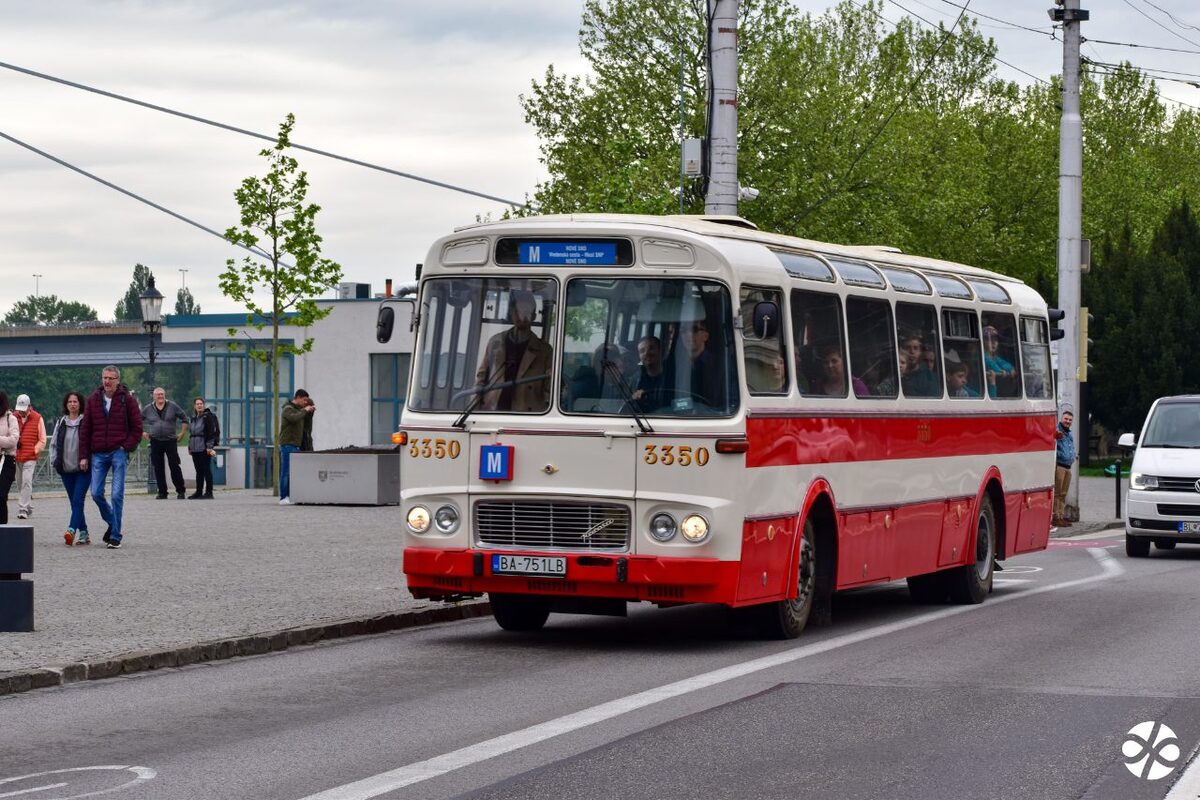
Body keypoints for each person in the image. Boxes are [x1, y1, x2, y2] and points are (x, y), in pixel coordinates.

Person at [80, 365, 144, 549]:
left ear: (118, 380)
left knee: (116, 495)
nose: (107, 381)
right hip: (98, 453)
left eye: (111, 378)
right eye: (105, 378)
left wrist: (126, 447)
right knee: (96, 493)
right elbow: (86, 430)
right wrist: (84, 455)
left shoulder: (127, 400)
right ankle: (112, 522)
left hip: (118, 451)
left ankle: (115, 536)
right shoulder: (93, 400)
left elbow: (137, 428)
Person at [475, 291, 553, 412]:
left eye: (526, 311)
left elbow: (549, 387)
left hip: (526, 414)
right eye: (517, 311)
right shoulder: (495, 343)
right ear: (511, 314)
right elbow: (481, 377)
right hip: (493, 410)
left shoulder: (544, 350)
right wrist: (476, 408)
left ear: (533, 316)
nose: (521, 315)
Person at [50, 391, 90, 545]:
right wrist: (54, 461)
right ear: (66, 405)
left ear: (80, 404)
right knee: (74, 502)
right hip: (65, 469)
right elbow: (54, 444)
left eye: (75, 401)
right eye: (70, 402)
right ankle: (84, 532)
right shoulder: (61, 423)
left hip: (83, 469)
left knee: (78, 500)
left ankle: (71, 530)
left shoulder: (86, 422)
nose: (72, 404)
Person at [141, 387, 188, 499]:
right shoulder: (147, 409)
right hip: (155, 441)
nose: (160, 396)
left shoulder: (173, 406)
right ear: (153, 396)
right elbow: (137, 421)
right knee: (158, 467)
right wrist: (142, 432)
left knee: (174, 466)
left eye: (162, 394)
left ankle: (180, 491)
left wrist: (182, 433)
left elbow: (184, 418)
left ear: (165, 395)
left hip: (170, 440)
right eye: (158, 394)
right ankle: (162, 492)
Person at [278, 389, 314, 505]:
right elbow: (294, 418)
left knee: (293, 473)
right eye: (304, 400)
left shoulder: (299, 411)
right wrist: (305, 410)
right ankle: (283, 497)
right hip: (287, 444)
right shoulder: (287, 409)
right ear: (298, 397)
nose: (305, 402)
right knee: (286, 472)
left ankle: (291, 496)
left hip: (296, 445)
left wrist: (310, 412)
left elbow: (306, 425)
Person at [13, 394, 45, 520]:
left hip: (30, 457)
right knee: (19, 483)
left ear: (30, 407)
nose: (21, 412)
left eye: (23, 409)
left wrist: (34, 450)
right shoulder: (13, 417)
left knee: (26, 481)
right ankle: (29, 506)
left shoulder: (38, 418)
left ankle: (23, 509)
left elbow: (42, 439)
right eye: (19, 409)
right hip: (15, 456)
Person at [679, 320, 719, 405]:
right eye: (684, 330)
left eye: (694, 329)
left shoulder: (721, 367)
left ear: (706, 336)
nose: (688, 334)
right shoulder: (675, 366)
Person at [187, 397, 220, 499]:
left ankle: (209, 492)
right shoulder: (193, 418)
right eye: (197, 404)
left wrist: (209, 447)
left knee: (206, 470)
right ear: (194, 406)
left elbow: (211, 433)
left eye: (201, 404)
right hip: (195, 448)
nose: (199, 405)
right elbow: (191, 433)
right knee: (198, 471)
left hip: (204, 448)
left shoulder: (208, 417)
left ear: (204, 405)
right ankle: (198, 492)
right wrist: (189, 447)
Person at [631, 335, 673, 412]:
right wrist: (636, 400)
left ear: (660, 351)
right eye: (642, 351)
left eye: (651, 348)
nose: (646, 353)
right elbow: (631, 408)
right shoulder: (635, 380)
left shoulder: (673, 376)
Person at [1053, 409, 1077, 528]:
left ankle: (1061, 516)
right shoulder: (1057, 431)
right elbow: (1053, 444)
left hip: (1068, 467)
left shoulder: (1070, 434)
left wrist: (1073, 456)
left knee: (1063, 493)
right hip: (1060, 466)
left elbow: (1071, 447)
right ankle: (1055, 517)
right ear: (1061, 419)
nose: (1067, 421)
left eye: (1070, 420)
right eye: (1066, 419)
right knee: (1057, 493)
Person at [982, 325, 1017, 398]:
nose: (994, 342)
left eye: (996, 340)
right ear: (983, 341)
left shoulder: (995, 357)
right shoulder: (982, 356)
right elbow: (992, 365)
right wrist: (1001, 371)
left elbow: (1006, 365)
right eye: (989, 339)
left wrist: (1010, 369)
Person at [0, 392, 18, 526]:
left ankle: (2, 528)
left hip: (6, 460)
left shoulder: (10, 418)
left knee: (1, 495)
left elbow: (13, 440)